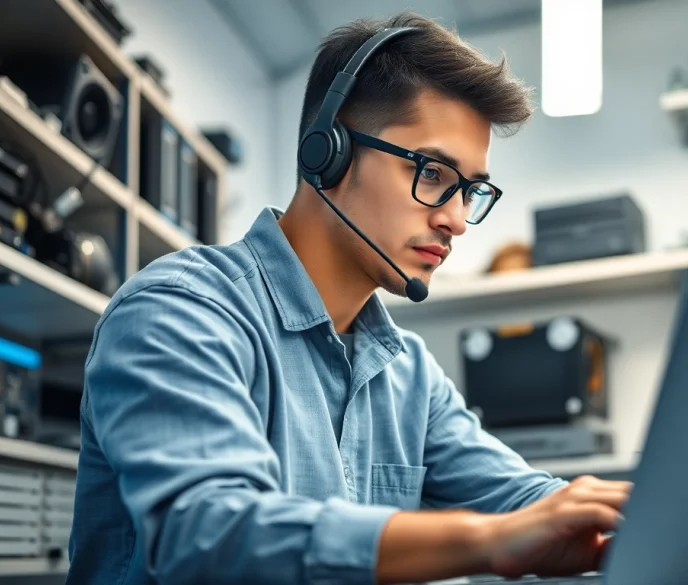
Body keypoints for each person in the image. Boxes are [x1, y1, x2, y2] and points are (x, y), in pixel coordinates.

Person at [66, 11, 630, 585]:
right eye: (434, 174)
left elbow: (525, 499)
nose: (458, 221)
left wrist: (640, 516)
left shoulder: (407, 372)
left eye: (471, 191)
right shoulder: (178, 310)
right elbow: (209, 534)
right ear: (327, 152)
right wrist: (489, 541)